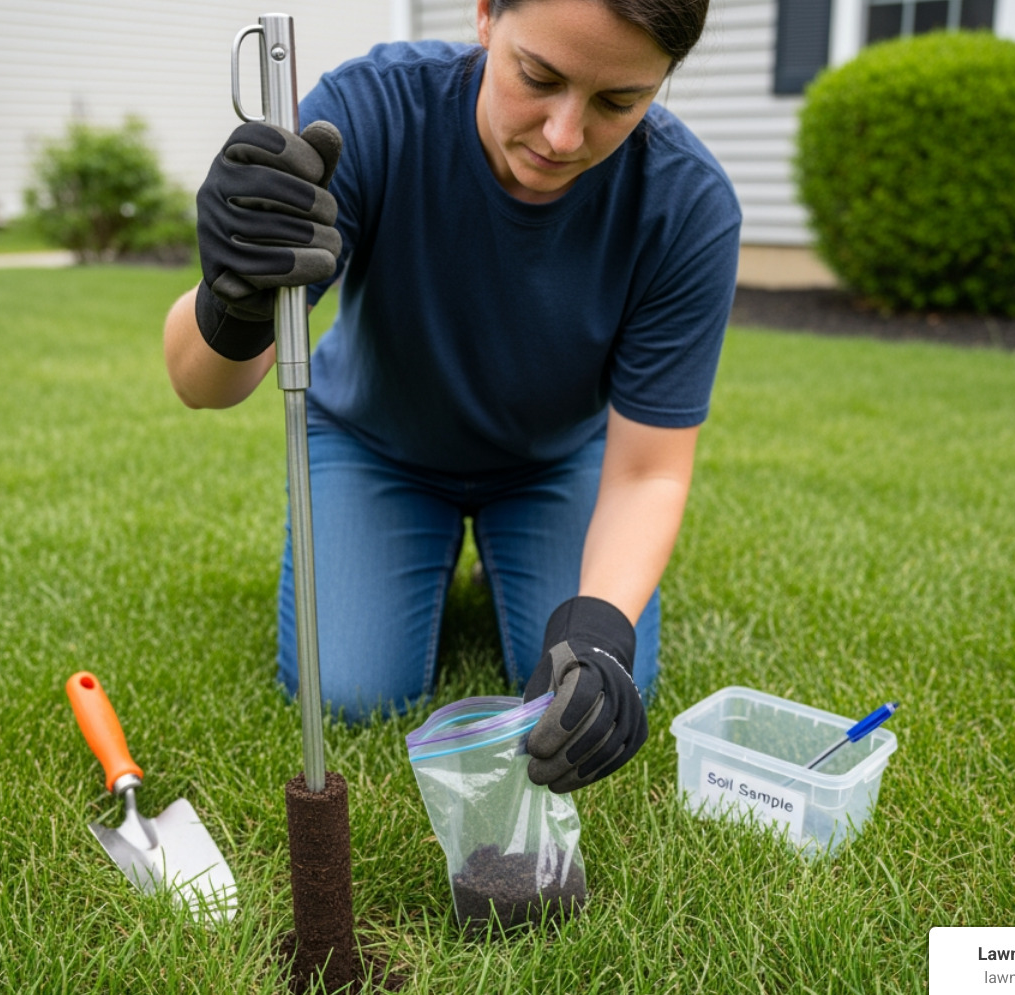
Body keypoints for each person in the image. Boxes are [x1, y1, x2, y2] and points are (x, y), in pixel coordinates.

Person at [164, 0, 740, 793]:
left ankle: (497, 559)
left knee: (601, 689)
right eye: (538, 77)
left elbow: (649, 472)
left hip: (551, 463)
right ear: (483, 17)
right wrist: (231, 295)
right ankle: (418, 543)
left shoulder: (686, 206)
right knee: (354, 695)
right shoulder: (365, 116)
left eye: (619, 102)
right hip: (375, 447)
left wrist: (603, 635)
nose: (563, 135)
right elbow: (202, 384)